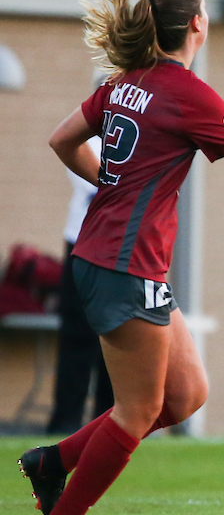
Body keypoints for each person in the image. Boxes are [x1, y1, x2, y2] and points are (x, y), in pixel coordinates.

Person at [17, 0, 224, 515]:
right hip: (124, 266)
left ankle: (52, 461)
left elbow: (61, 140)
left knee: (186, 396)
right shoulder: (187, 93)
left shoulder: (125, 83)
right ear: (198, 23)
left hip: (112, 259)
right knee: (139, 411)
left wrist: (111, 182)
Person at [46, 131, 114, 435]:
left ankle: (108, 424)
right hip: (83, 242)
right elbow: (88, 175)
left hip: (119, 248)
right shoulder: (90, 141)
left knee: (116, 338)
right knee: (76, 336)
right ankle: (65, 423)